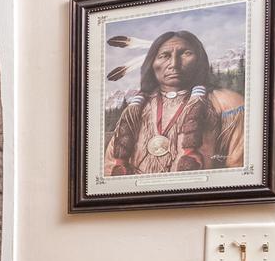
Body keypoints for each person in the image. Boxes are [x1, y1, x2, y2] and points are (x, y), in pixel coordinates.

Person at [101, 30, 243, 175]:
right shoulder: (133, 112)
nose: (174, 64)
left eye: (186, 53)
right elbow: (109, 169)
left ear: (199, 60)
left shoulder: (227, 104)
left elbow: (238, 169)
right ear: (152, 64)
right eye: (164, 56)